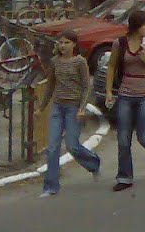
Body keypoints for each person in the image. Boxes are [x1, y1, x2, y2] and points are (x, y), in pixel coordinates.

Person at [104, 10, 145, 192]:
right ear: (136, 26)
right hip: (126, 92)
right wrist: (109, 91)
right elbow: (111, 66)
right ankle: (125, 177)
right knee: (123, 138)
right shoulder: (121, 43)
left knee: (144, 136)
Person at [39, 29, 101, 196]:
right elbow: (50, 85)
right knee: (52, 147)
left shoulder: (79, 62)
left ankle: (93, 162)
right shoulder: (54, 62)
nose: (63, 46)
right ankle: (51, 186)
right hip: (58, 107)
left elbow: (86, 86)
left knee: (72, 146)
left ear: (74, 44)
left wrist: (82, 108)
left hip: (74, 108)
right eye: (60, 43)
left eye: (67, 43)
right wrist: (42, 106)